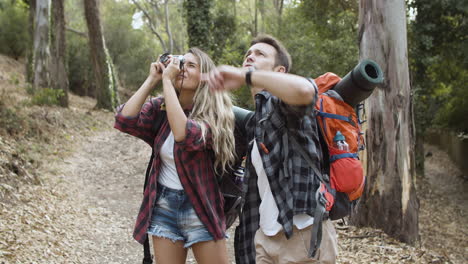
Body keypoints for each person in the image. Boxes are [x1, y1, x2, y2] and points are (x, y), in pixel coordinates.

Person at [206, 35, 338, 264]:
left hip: (302, 234)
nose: (250, 55)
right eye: (249, 53)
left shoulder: (286, 107)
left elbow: (306, 91)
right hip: (264, 238)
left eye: (260, 54)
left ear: (280, 71)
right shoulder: (256, 121)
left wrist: (244, 74)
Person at [114, 47, 234, 264]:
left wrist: (168, 83)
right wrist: (153, 80)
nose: (182, 69)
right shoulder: (160, 108)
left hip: (201, 206)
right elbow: (124, 120)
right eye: (181, 63)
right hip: (164, 205)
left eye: (191, 65)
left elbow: (184, 134)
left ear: (204, 76)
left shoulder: (214, 115)